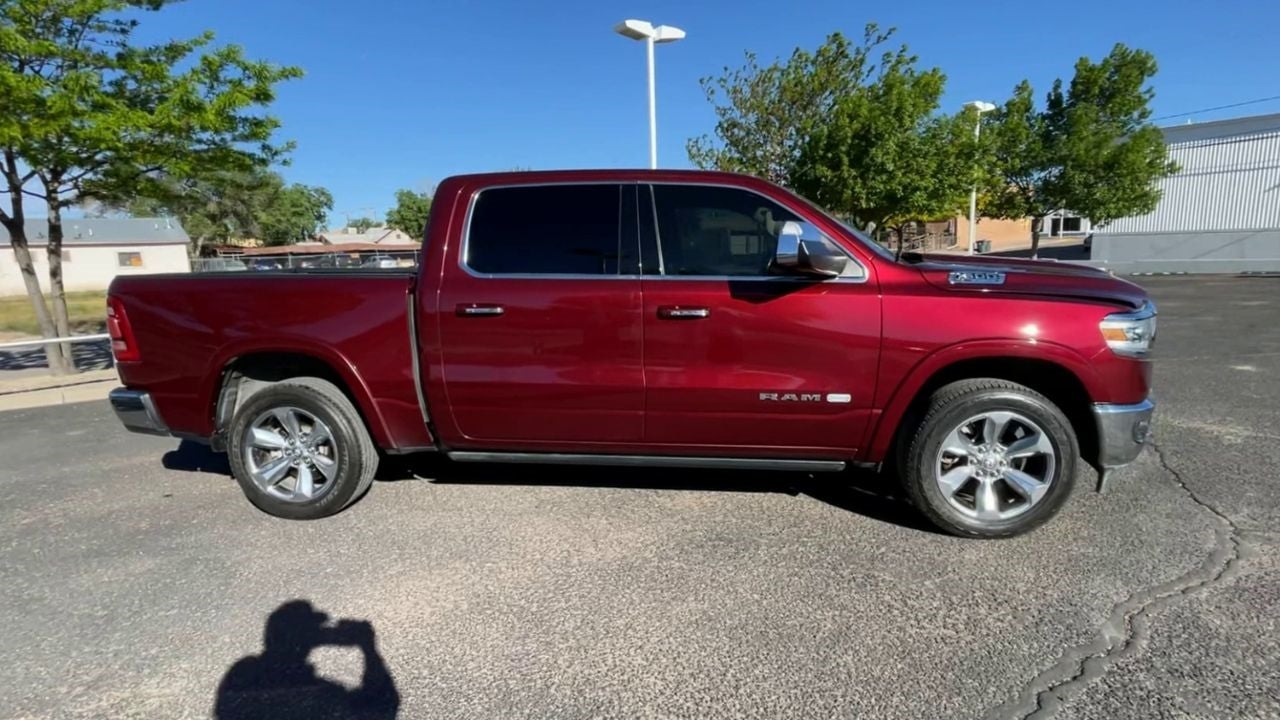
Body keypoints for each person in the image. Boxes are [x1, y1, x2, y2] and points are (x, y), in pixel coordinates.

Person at [215, 600, 400, 720]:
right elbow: (229, 708)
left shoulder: (322, 689)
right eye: (310, 630)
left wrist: (368, 649)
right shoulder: (248, 672)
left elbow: (381, 709)